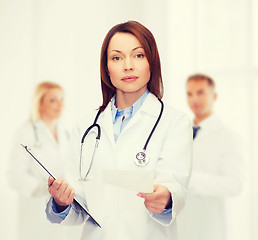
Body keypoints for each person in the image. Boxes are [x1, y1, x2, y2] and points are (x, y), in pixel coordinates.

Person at [46, 21, 193, 240]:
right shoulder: (86, 126)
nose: (128, 66)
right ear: (106, 67)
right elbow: (80, 205)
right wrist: (61, 202)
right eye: (117, 57)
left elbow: (175, 187)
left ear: (152, 61)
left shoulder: (175, 122)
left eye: (138, 55)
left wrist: (166, 199)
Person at [7, 81, 82, 240]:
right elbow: (14, 176)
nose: (60, 104)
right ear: (39, 103)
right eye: (53, 100)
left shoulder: (65, 132)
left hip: (62, 206)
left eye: (61, 99)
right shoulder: (26, 131)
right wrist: (44, 189)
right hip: (35, 208)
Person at [177, 73, 244, 240]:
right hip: (181, 224)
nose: (194, 99)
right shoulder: (180, 132)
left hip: (210, 226)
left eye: (200, 92)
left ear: (214, 96)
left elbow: (235, 184)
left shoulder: (228, 136)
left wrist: (189, 180)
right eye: (189, 94)